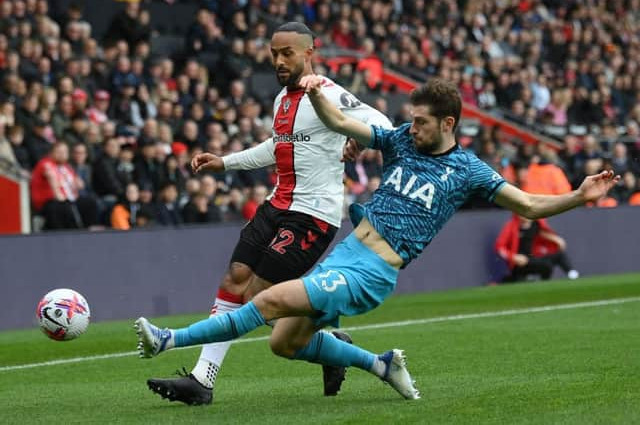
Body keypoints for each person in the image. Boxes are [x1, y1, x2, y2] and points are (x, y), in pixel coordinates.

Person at [136, 77, 619, 403]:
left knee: (270, 300)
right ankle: (381, 364)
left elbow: (531, 205)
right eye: (413, 118)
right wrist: (318, 95)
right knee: (283, 344)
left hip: (373, 271)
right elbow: (347, 124)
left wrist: (579, 195)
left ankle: (168, 340)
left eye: (424, 121)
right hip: (347, 252)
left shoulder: (470, 170)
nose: (413, 126)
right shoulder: (403, 138)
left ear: (448, 123)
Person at [145, 22, 393, 405]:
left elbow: (382, 123)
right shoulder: (282, 99)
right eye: (274, 53)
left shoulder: (327, 92)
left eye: (287, 53)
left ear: (309, 53)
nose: (279, 60)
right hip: (277, 205)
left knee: (258, 295)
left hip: (312, 216)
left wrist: (356, 137)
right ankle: (205, 378)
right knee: (235, 278)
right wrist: (224, 163)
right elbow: (275, 147)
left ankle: (318, 348)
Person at [495, 214, 579, 282]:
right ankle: (543, 283)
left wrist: (556, 239)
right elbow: (500, 247)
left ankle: (572, 274)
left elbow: (540, 233)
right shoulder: (511, 226)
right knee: (546, 265)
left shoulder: (536, 223)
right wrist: (513, 257)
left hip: (534, 257)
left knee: (559, 255)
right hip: (520, 263)